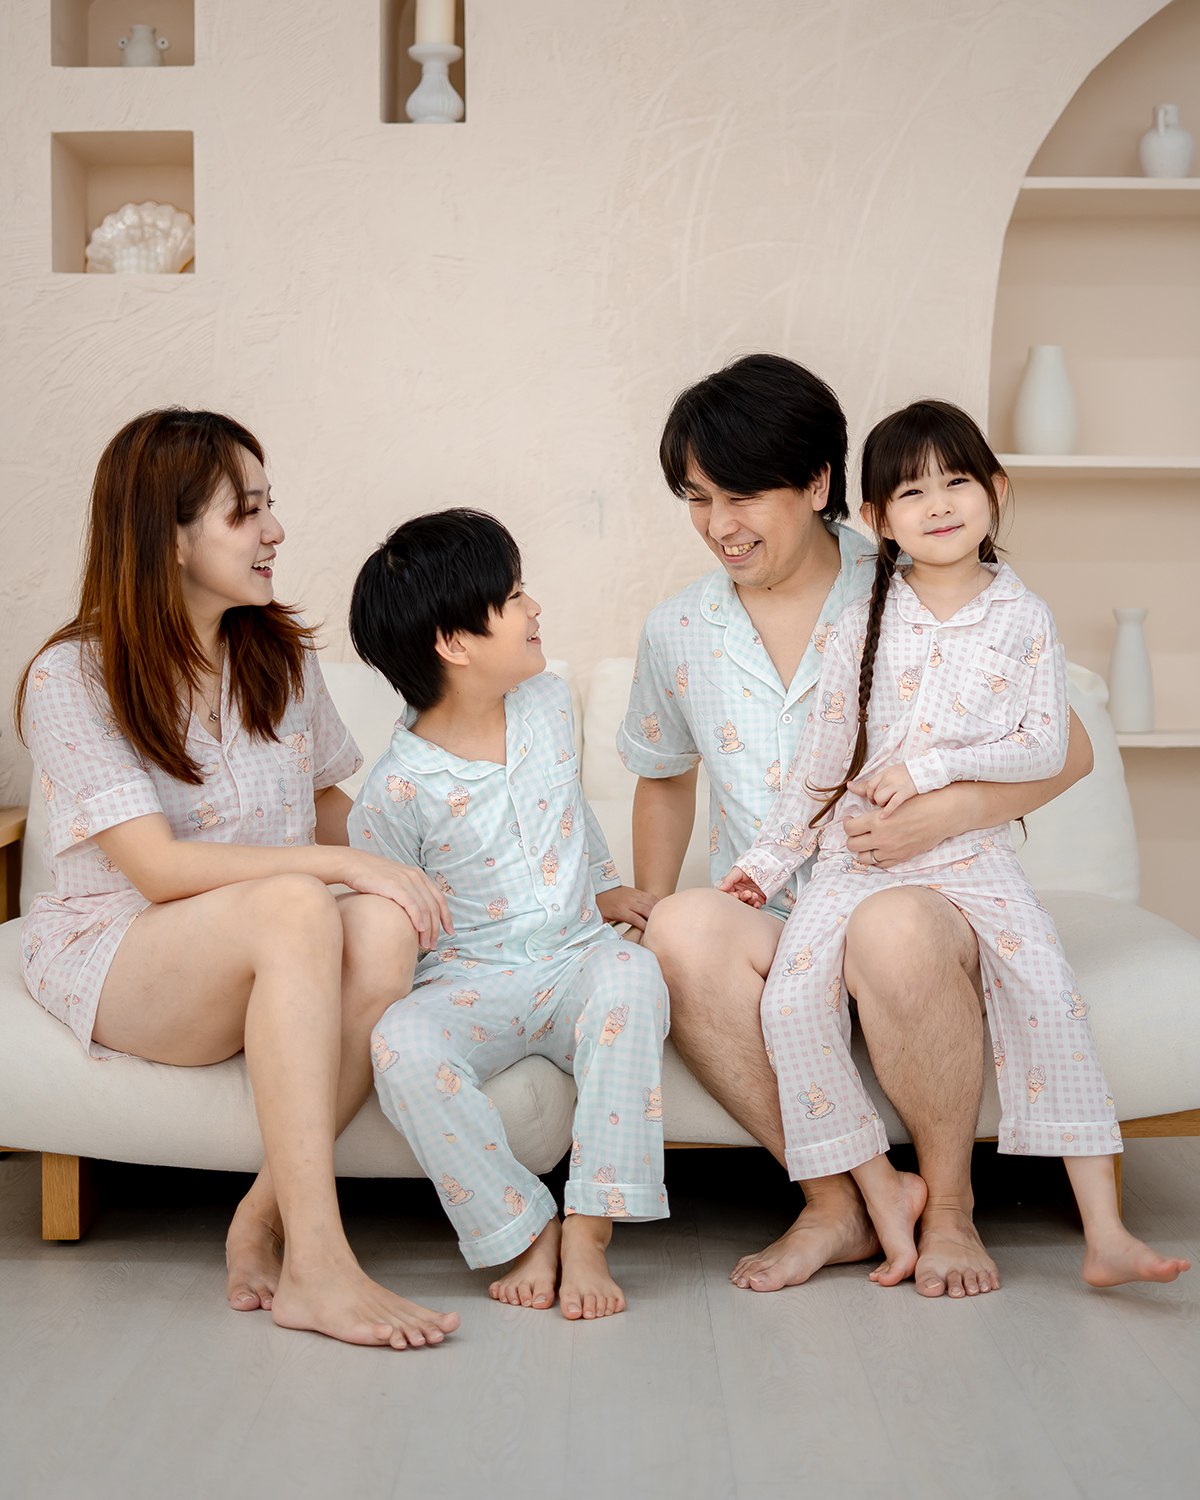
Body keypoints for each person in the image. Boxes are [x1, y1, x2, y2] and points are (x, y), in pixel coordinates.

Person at [623, 354, 1094, 1298]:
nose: (721, 527)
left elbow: (1066, 750)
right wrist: (646, 900)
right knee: (679, 927)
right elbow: (664, 779)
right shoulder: (679, 629)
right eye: (698, 498)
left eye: (745, 495)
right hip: (784, 916)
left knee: (893, 924)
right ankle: (843, 1199)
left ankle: (952, 1212)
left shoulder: (925, 569)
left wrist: (944, 814)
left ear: (818, 484)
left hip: (916, 897)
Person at [16, 408, 460, 1350]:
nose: (276, 532)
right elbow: (159, 870)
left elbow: (340, 810)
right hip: (123, 953)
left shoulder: (277, 656)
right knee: (304, 900)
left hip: (266, 943)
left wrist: (429, 872)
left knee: (383, 924)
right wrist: (338, 864)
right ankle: (320, 1260)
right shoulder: (73, 676)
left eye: (271, 506)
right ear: (167, 538)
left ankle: (260, 1215)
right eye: (244, 512)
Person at [721, 398, 1188, 1290]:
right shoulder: (860, 615)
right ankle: (869, 1193)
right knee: (787, 1008)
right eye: (910, 491)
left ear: (996, 490)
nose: (937, 504)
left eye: (957, 481)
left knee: (1051, 996)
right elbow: (824, 762)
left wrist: (932, 768)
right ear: (875, 520)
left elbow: (1045, 744)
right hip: (852, 860)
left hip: (971, 860)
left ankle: (1106, 1232)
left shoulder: (1024, 620)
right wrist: (769, 862)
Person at [347, 509, 668, 1321]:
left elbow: (571, 812)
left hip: (572, 955)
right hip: (468, 978)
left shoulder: (549, 704)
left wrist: (602, 886)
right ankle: (523, 1231)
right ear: (454, 644)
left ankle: (591, 1227)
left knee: (632, 973)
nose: (534, 609)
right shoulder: (397, 788)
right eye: (514, 596)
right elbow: (390, 910)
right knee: (400, 1043)